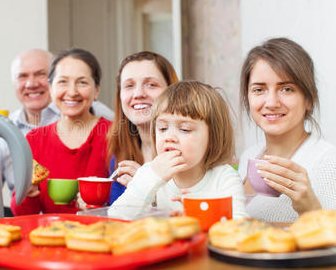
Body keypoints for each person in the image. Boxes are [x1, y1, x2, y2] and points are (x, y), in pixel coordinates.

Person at [0, 49, 113, 215]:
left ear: (96, 90)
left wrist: (101, 207)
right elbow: (22, 213)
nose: (72, 92)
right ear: (51, 88)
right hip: (50, 235)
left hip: (100, 235)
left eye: (82, 83)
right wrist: (27, 193)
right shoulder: (34, 140)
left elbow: (127, 205)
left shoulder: (115, 135)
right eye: (63, 82)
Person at [110, 81, 247, 219]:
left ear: (213, 138)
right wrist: (150, 179)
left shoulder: (224, 179)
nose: (169, 137)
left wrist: (199, 217)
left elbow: (239, 227)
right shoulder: (150, 173)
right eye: (163, 128)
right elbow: (116, 217)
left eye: (184, 129)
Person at [238, 37, 336, 222]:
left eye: (287, 89)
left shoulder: (330, 163)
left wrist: (310, 209)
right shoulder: (248, 156)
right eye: (259, 90)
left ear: (309, 99)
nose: (272, 103)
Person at [107, 51, 179, 204]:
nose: (138, 94)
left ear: (172, 91)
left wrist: (146, 189)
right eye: (129, 86)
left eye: (151, 84)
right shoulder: (119, 154)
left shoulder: (185, 155)